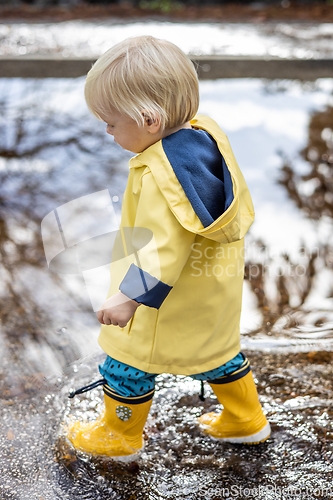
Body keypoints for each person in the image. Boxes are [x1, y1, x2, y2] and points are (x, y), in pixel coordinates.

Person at [66, 35, 270, 458]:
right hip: (209, 294)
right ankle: (246, 419)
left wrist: (127, 297)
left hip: (162, 303)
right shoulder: (202, 142)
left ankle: (119, 436)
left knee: (126, 362)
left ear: (148, 120)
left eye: (110, 122)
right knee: (218, 353)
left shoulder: (163, 178)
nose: (107, 131)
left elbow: (160, 250)